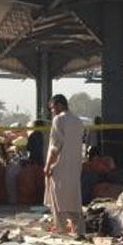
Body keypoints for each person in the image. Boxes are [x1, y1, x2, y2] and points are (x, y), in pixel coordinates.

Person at [44, 95, 86, 236]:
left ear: (59, 105)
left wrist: (48, 165)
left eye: (53, 108)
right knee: (74, 198)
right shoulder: (78, 121)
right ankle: (79, 231)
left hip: (60, 165)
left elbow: (55, 146)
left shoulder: (59, 120)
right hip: (75, 166)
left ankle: (62, 230)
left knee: (58, 199)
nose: (52, 111)